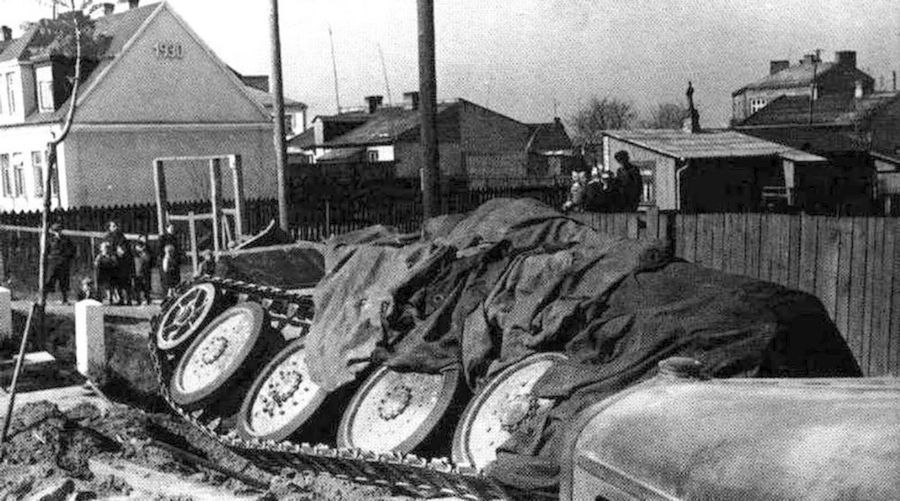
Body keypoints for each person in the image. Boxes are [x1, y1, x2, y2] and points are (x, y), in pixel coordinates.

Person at [44, 222, 76, 305]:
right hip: (53, 263)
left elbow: (72, 250)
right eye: (56, 231)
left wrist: (68, 259)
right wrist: (49, 259)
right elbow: (46, 251)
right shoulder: (50, 240)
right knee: (49, 281)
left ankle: (65, 299)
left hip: (63, 263)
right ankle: (44, 298)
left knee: (64, 282)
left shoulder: (66, 240)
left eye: (59, 230)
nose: (58, 232)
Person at [104, 220, 134, 305]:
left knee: (126, 282)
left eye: (116, 225)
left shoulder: (122, 237)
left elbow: (125, 248)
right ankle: (119, 299)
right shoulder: (108, 237)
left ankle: (128, 300)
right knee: (116, 283)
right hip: (113, 263)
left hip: (123, 263)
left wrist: (122, 250)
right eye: (113, 226)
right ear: (109, 228)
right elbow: (107, 249)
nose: (115, 227)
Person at [133, 234, 154, 305]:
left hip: (146, 269)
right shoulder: (135, 247)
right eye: (143, 238)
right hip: (138, 269)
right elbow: (134, 255)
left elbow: (150, 257)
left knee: (146, 284)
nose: (144, 239)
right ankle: (138, 299)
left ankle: (147, 298)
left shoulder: (148, 248)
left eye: (145, 238)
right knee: (138, 284)